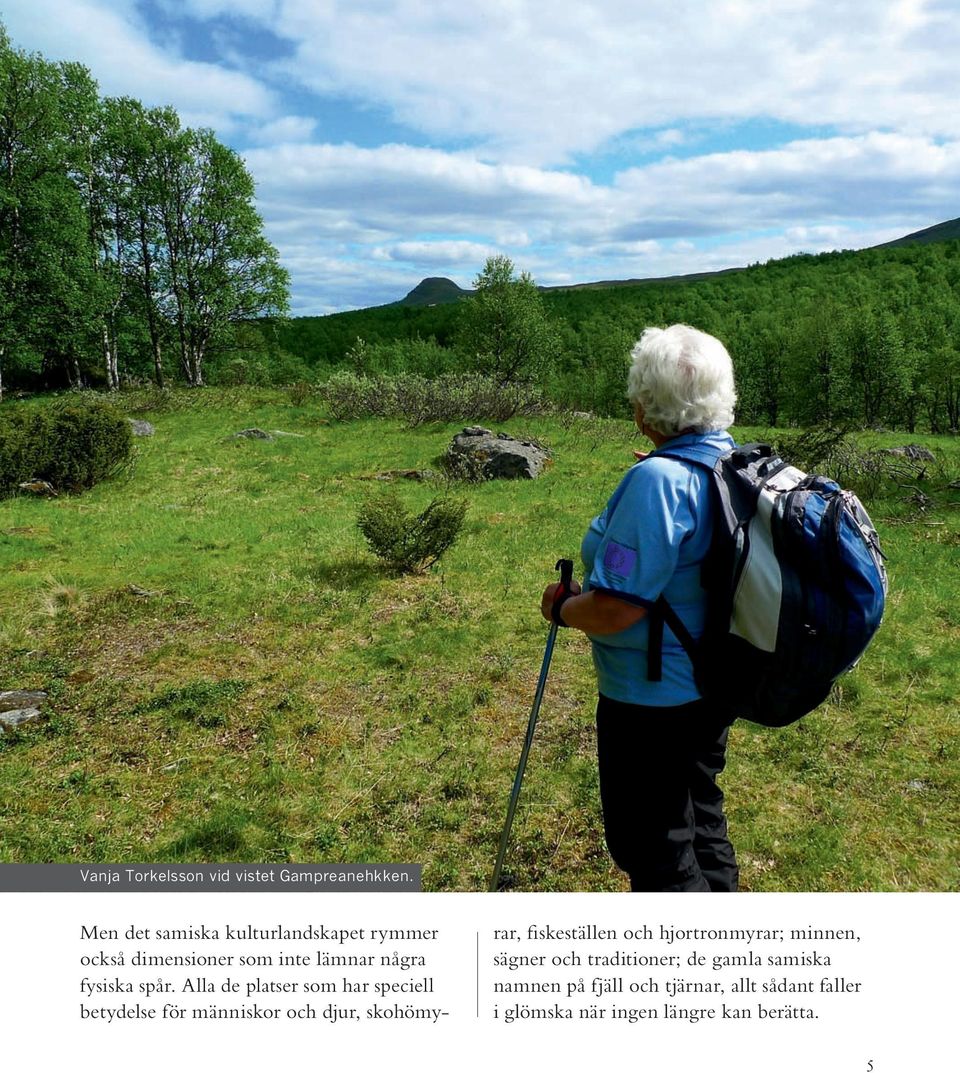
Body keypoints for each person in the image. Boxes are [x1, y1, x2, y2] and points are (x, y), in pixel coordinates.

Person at [540, 324, 739, 892]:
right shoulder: (725, 461)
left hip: (652, 701)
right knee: (700, 822)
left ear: (644, 404)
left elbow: (615, 610)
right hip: (713, 683)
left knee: (654, 850)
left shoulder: (657, 481)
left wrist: (560, 608)